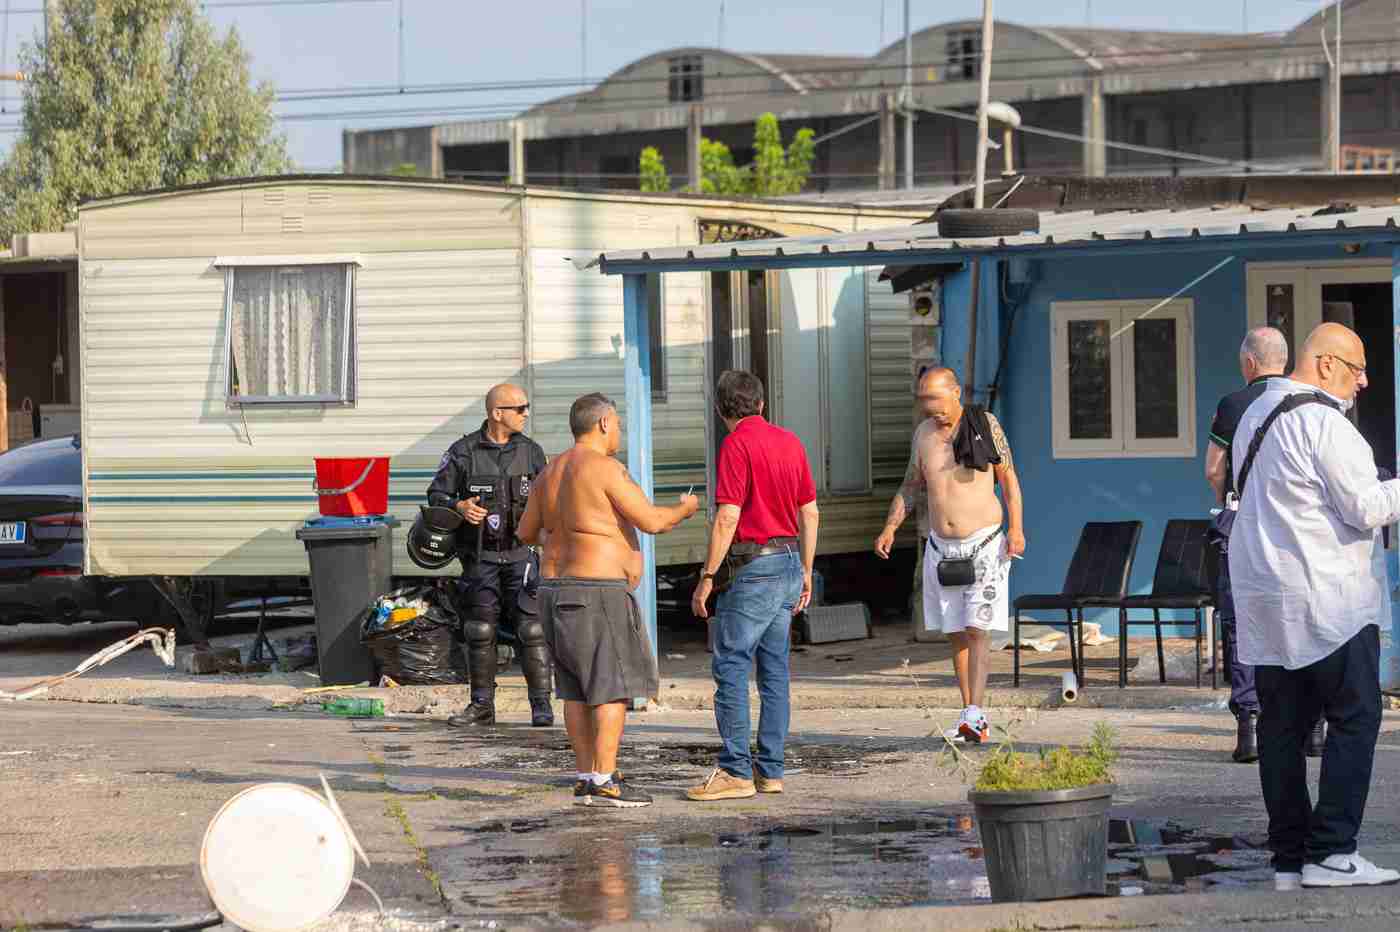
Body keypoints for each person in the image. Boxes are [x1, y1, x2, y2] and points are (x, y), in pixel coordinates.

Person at [1231, 322, 1400, 890]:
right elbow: (1365, 505)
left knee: (1281, 727)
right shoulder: (1325, 422)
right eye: (1357, 369)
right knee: (1355, 718)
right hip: (1330, 601)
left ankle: (1289, 859)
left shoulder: (1254, 416)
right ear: (1327, 364)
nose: (1364, 381)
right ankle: (1332, 853)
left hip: (1269, 603)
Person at [518, 392, 698, 808]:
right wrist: (685, 508)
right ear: (602, 424)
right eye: (616, 423)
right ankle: (604, 779)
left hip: (552, 590)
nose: (618, 431)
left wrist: (568, 534)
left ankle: (586, 777)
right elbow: (652, 521)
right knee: (612, 687)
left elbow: (527, 532)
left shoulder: (549, 472)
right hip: (595, 591)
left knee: (576, 690)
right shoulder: (604, 467)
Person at [686, 370, 819, 802]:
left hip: (754, 566)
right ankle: (771, 772)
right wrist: (805, 570)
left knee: (731, 665)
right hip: (787, 562)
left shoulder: (736, 444)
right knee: (775, 671)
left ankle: (735, 771)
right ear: (761, 404)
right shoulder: (791, 442)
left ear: (723, 410)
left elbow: (728, 515)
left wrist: (707, 576)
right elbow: (810, 512)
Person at [874, 367, 1025, 743]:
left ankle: (976, 715)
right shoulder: (923, 435)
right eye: (923, 400)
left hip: (985, 543)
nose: (930, 407)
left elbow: (1009, 481)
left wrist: (1017, 529)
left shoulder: (985, 424)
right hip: (942, 548)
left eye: (936, 399)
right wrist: (890, 526)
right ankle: (968, 715)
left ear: (955, 392)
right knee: (956, 632)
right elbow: (911, 484)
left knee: (978, 629)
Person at [427, 383, 553, 728]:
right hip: (480, 558)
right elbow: (436, 496)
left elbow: (550, 502)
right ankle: (482, 706)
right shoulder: (463, 452)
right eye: (520, 408)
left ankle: (541, 706)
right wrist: (459, 506)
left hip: (520, 556)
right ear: (497, 413)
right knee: (480, 630)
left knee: (533, 630)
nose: (526, 413)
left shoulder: (532, 452)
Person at [1204, 326, 1287, 764]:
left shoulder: (1233, 405)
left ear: (1249, 363)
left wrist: (1225, 505)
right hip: (1293, 528)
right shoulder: (1306, 403)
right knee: (1296, 615)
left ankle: (1249, 729)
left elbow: (1214, 469)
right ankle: (1313, 728)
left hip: (1243, 523)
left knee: (1240, 622)